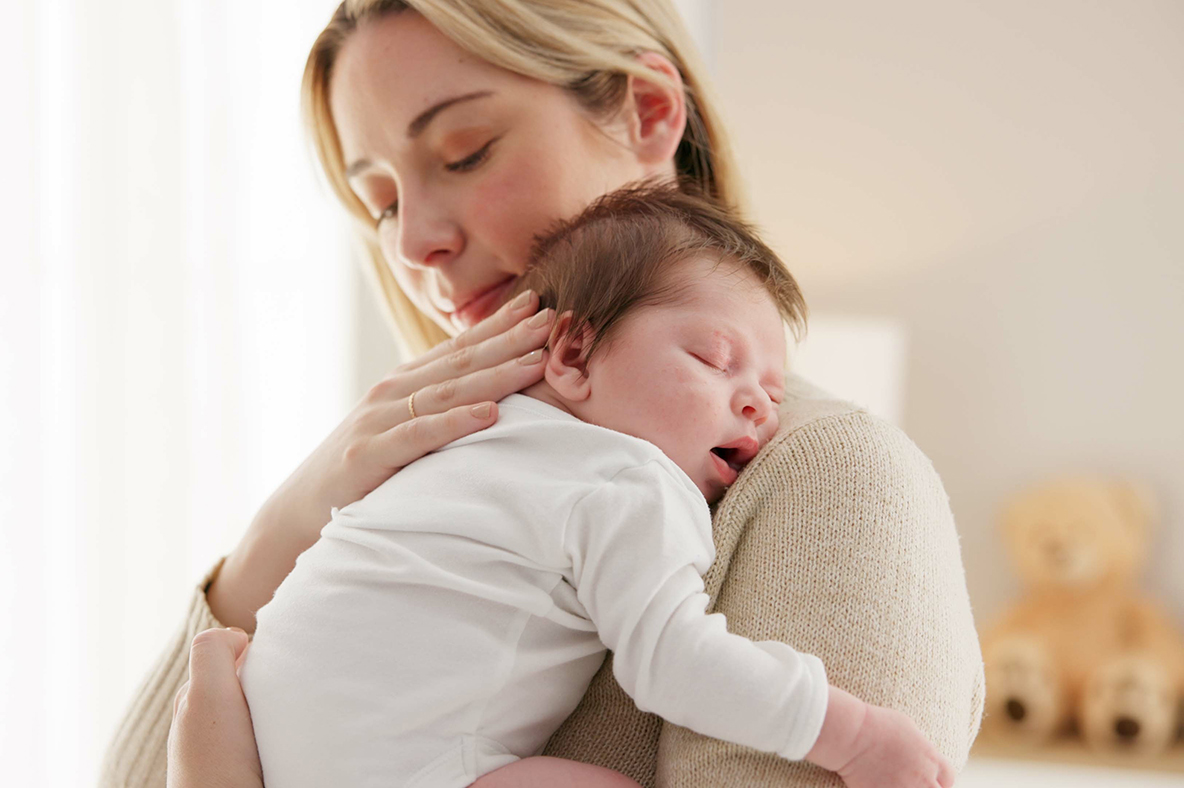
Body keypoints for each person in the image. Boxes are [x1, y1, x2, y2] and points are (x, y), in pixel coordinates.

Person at [101, 2, 984, 787]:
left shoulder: (825, 477)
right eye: (377, 202)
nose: (413, 241)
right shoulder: (426, 483)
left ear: (647, 113)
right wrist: (289, 521)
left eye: (465, 152)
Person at [240, 183, 956, 788]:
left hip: (264, 742)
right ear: (575, 352)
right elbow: (675, 664)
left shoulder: (456, 439)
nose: (760, 407)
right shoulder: (628, 476)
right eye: (715, 359)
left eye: (771, 392)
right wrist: (855, 733)